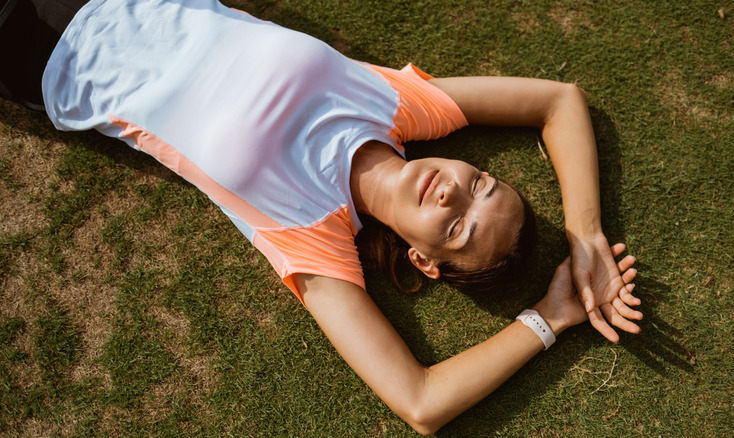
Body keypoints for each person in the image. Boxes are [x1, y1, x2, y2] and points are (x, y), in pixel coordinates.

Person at [0, 0, 642, 434]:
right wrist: (585, 234)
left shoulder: (312, 240)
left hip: (45, 52)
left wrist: (553, 316)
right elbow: (559, 102)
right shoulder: (404, 104)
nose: (453, 193)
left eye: (457, 229)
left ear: (424, 260)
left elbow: (421, 403)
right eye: (480, 183)